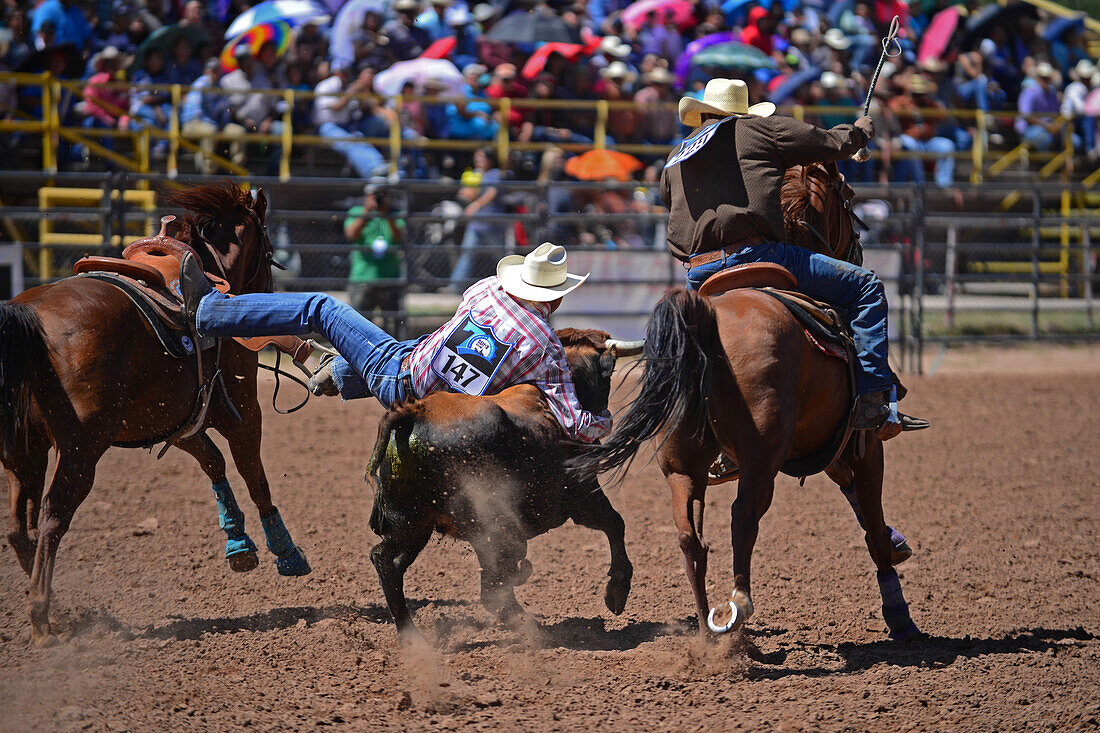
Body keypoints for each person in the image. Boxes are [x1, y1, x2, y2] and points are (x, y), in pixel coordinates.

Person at [660, 78, 928, 435]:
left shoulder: (677, 155)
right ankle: (873, 400)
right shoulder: (757, 130)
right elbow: (827, 143)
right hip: (758, 255)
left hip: (699, 273)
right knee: (865, 287)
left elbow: (669, 200)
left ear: (703, 113)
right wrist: (859, 132)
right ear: (741, 111)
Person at [178, 241, 611, 443]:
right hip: (443, 402)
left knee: (320, 307)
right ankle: (343, 373)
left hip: (401, 375)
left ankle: (210, 312)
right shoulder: (545, 349)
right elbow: (575, 423)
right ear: (555, 296)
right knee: (424, 350)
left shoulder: (486, 291)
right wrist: (606, 423)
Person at [345, 179, 404, 333]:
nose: (379, 198)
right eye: (375, 195)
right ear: (367, 196)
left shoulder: (395, 214)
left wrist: (387, 215)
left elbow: (399, 237)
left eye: (383, 194)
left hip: (389, 278)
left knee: (393, 327)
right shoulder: (357, 212)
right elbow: (351, 234)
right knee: (359, 326)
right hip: (363, 277)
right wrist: (367, 212)